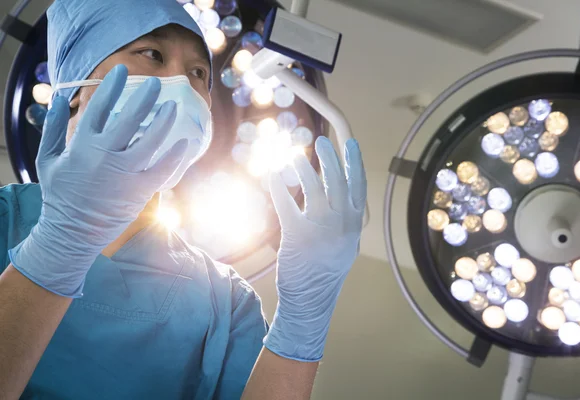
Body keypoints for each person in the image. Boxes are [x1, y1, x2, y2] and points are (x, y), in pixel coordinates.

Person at [0, 0, 367, 399]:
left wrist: (302, 323)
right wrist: (63, 239)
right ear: (75, 90)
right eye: (153, 54)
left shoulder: (225, 304)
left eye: (198, 73)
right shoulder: (5, 219)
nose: (181, 84)